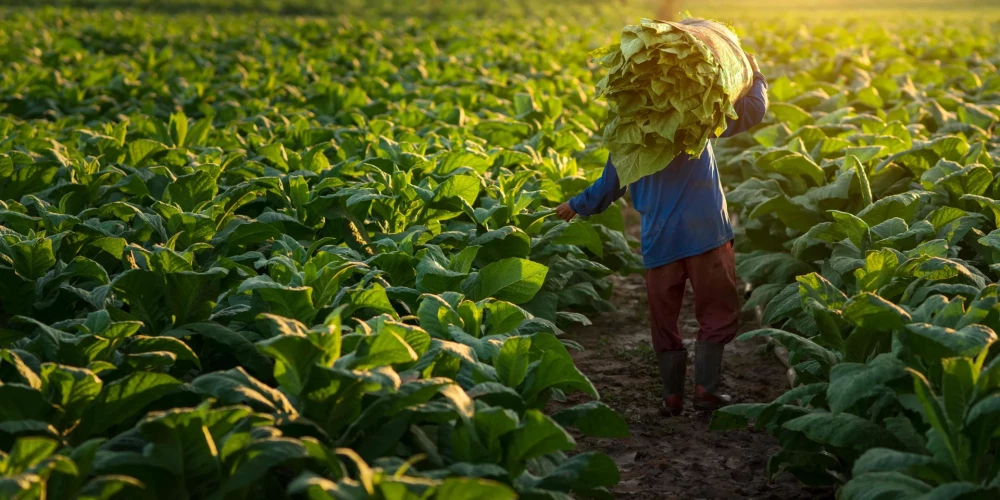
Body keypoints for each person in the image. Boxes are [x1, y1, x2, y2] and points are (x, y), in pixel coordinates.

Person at [556, 53, 768, 416]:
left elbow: (611, 184)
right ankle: (706, 389)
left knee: (664, 318)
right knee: (717, 310)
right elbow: (752, 111)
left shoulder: (629, 130)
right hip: (706, 233)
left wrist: (576, 204)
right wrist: (754, 73)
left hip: (659, 237)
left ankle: (672, 396)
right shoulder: (697, 114)